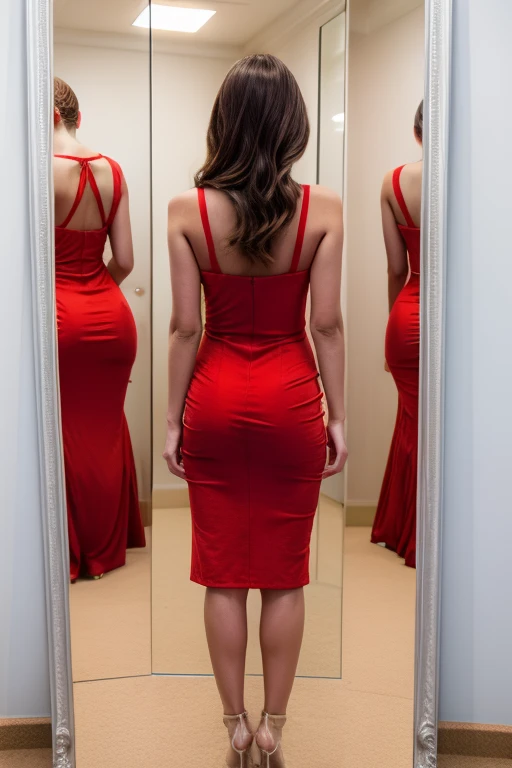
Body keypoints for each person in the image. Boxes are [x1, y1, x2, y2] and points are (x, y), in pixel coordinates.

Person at [163, 55, 347, 768]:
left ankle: (234, 723)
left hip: (214, 395)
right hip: (292, 397)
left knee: (222, 573)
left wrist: (173, 421)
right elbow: (326, 325)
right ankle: (274, 724)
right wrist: (337, 415)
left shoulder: (188, 210)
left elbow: (184, 327)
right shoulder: (323, 209)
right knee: (284, 572)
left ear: (225, 123)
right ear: (293, 125)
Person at [54, 77, 146, 582]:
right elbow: (126, 260)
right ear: (76, 117)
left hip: (62, 320)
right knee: (106, 429)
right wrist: (94, 290)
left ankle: (75, 549)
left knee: (65, 431)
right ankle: (110, 547)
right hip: (113, 318)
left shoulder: (39, 172)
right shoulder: (113, 170)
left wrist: (67, 295)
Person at [371, 100, 423, 569]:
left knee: (412, 421)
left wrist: (393, 324)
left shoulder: (393, 182)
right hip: (456, 318)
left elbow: (395, 268)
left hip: (406, 318)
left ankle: (401, 529)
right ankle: (423, 532)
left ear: (416, 132)